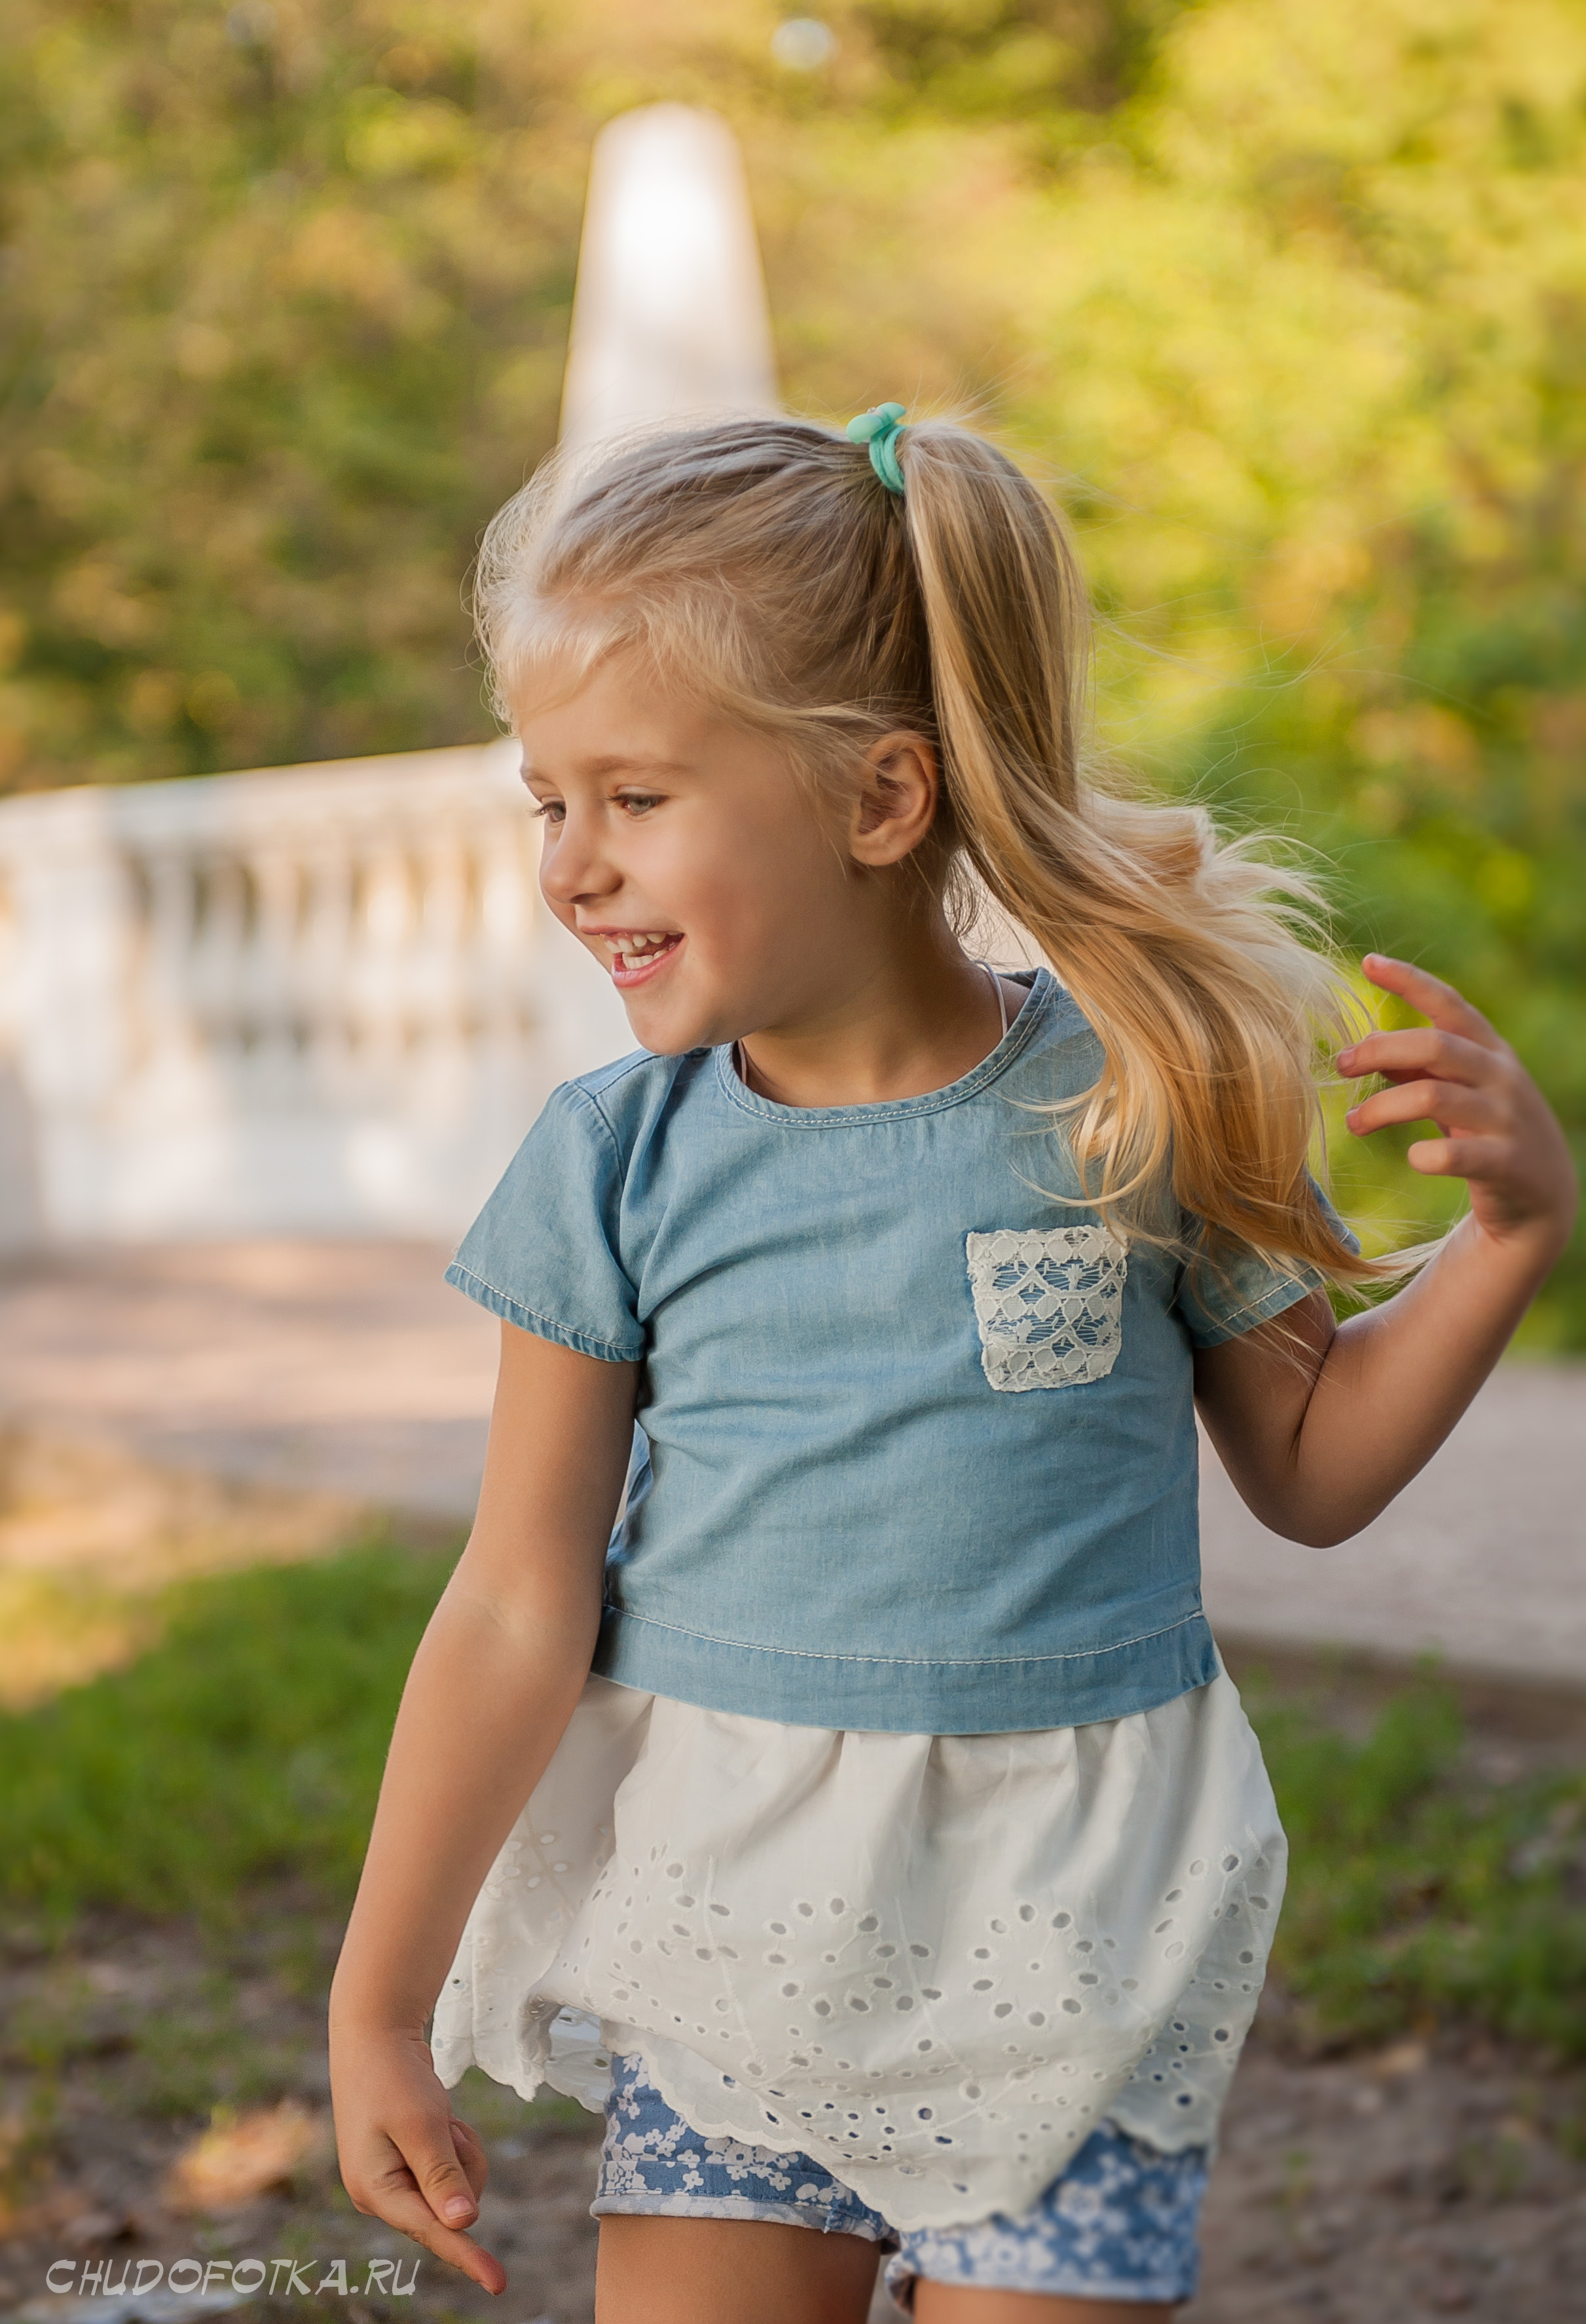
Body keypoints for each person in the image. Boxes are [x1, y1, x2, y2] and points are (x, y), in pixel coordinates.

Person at [326, 407, 1576, 2323]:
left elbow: (1316, 1472)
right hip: (733, 1918)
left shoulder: (1136, 1088)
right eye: (544, 800)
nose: (571, 865)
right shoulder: (616, 1158)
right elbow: (516, 1598)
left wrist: (1508, 1241)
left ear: (881, 799)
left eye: (635, 798)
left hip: (1073, 1932)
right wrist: (378, 1997)